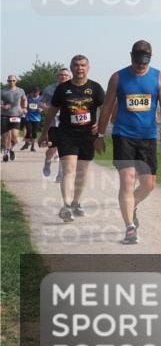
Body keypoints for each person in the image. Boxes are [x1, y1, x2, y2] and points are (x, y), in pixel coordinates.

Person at [95, 40, 161, 245]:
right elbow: (107, 107)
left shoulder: (159, 77)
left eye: (144, 63)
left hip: (148, 136)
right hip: (123, 135)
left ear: (150, 59)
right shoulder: (118, 77)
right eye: (137, 62)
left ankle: (132, 205)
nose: (140, 66)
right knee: (128, 179)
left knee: (149, 185)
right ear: (131, 57)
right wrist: (100, 135)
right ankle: (130, 227)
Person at [39, 55, 106, 222]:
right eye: (76, 65)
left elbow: (105, 109)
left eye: (83, 65)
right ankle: (66, 206)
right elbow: (52, 111)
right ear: (71, 67)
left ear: (88, 67)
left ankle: (76, 202)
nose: (79, 68)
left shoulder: (96, 88)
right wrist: (44, 132)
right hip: (66, 134)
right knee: (69, 170)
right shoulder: (62, 89)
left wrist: (100, 126)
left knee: (82, 173)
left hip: (87, 135)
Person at [41, 68, 72, 179]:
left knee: (64, 148)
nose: (63, 76)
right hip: (53, 122)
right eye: (61, 75)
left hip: (68, 123)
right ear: (57, 77)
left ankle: (60, 174)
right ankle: (48, 161)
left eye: (66, 75)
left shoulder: (74, 88)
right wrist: (49, 109)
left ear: (70, 77)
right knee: (52, 148)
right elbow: (41, 103)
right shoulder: (49, 89)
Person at [2, 74, 27, 161]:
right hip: (4, 115)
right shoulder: (3, 91)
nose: (11, 82)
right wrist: (3, 106)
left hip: (16, 115)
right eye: (10, 80)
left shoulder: (20, 90)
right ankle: (6, 152)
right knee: (5, 136)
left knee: (15, 136)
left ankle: (11, 149)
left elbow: (24, 99)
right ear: (7, 81)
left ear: (16, 81)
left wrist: (24, 108)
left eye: (13, 80)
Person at [23, 87, 44, 152]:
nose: (35, 94)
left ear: (39, 92)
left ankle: (32, 146)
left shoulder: (41, 98)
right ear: (32, 92)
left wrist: (41, 109)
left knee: (34, 132)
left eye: (36, 92)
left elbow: (44, 106)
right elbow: (24, 103)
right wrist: (25, 109)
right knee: (29, 131)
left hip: (37, 118)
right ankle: (26, 143)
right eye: (34, 92)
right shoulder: (28, 97)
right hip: (28, 117)